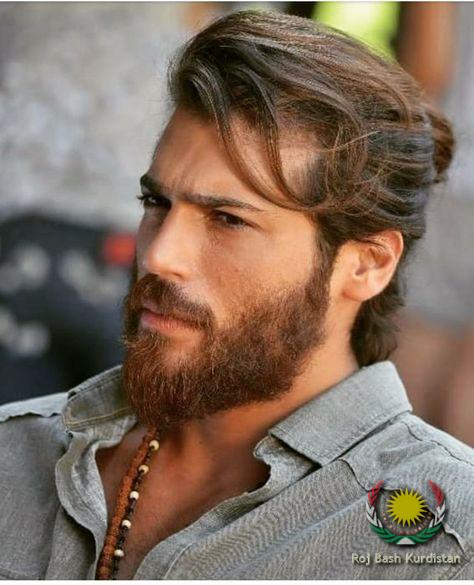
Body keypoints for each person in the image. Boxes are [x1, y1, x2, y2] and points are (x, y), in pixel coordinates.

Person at [0, 10, 472, 580]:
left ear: (367, 264)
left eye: (227, 219)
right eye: (157, 203)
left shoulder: (446, 541)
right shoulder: (13, 457)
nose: (158, 256)